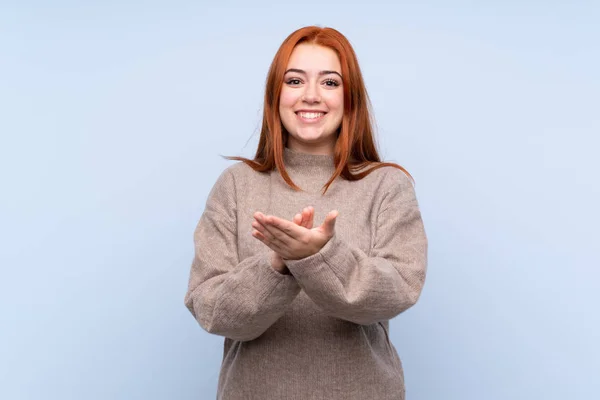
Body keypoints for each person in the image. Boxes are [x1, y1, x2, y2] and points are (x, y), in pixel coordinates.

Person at [184, 25, 428, 400]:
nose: (311, 96)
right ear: (275, 95)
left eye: (330, 83)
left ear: (350, 98)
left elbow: (396, 292)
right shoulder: (236, 184)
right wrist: (278, 265)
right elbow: (211, 310)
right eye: (294, 81)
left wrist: (319, 257)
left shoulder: (386, 186)